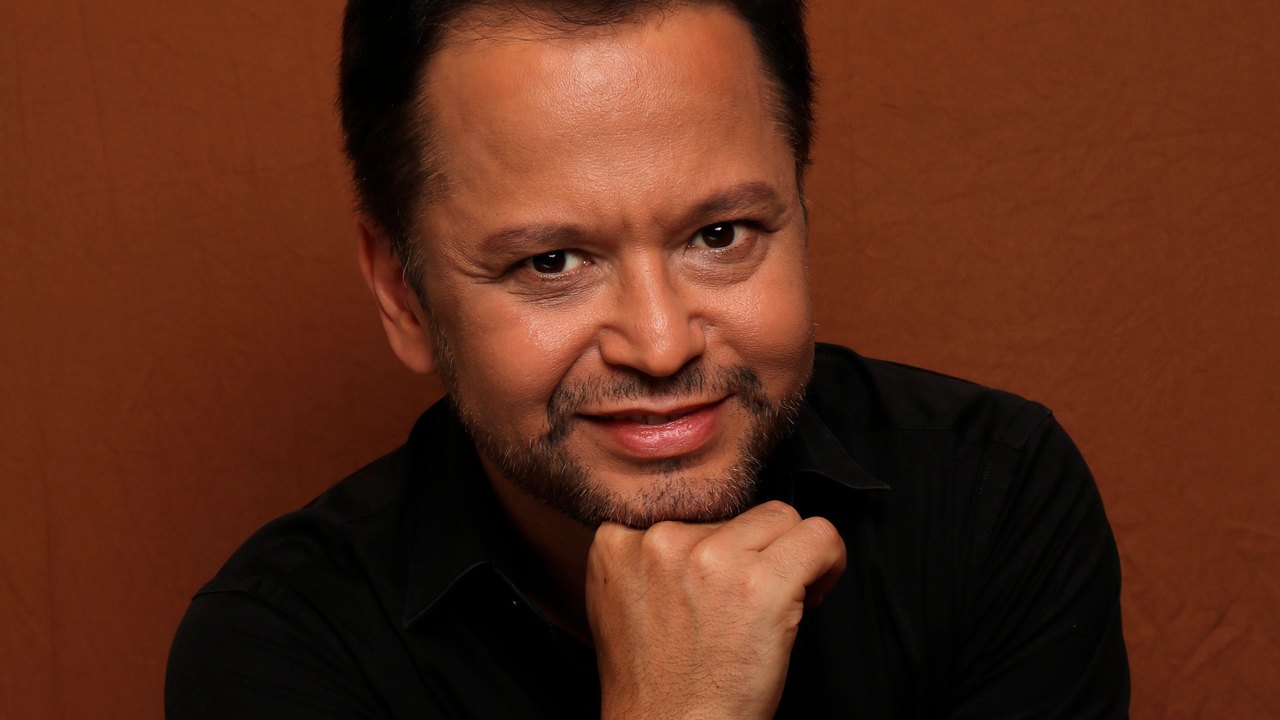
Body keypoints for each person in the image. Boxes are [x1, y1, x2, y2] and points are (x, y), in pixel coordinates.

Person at [166, 0, 1129, 717]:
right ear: (403, 292)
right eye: (552, 262)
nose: (662, 345)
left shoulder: (990, 499)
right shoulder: (281, 652)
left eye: (720, 234)